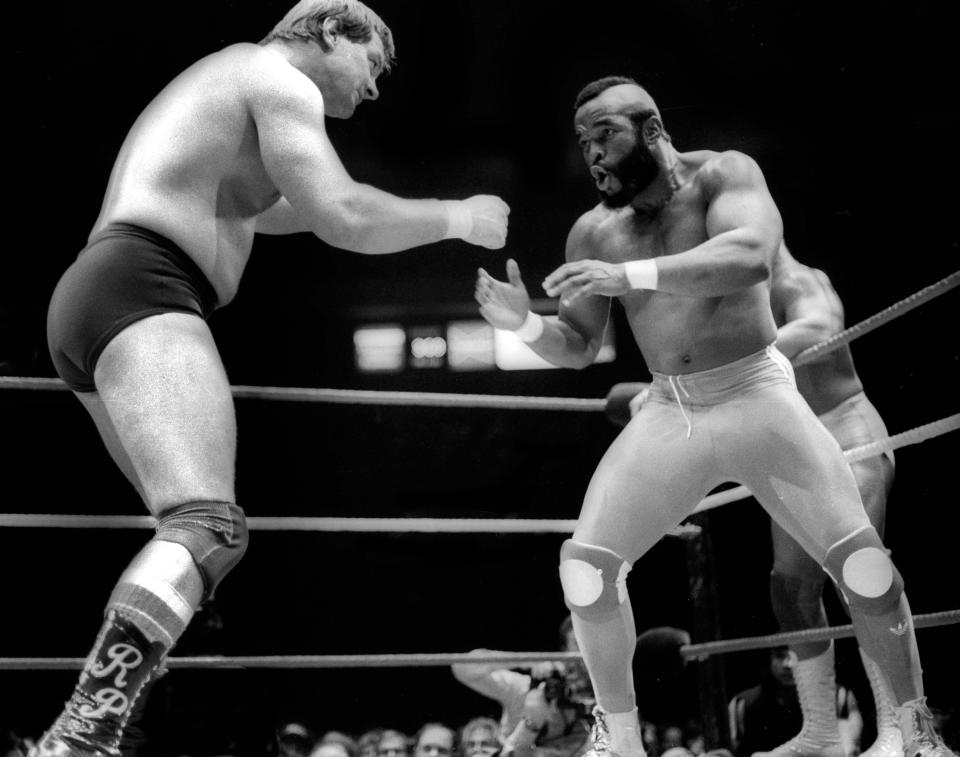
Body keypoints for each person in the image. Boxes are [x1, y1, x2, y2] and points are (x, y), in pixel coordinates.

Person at [36, 0, 509, 753]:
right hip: (145, 287)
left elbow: (290, 208)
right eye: (373, 63)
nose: (377, 88)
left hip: (103, 295)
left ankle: (111, 725)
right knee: (205, 524)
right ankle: (81, 734)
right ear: (327, 31)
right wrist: (459, 215)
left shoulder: (228, 92)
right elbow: (344, 212)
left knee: (202, 544)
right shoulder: (274, 78)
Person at [473, 76, 952, 757]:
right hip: (674, 408)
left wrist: (630, 278)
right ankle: (620, 739)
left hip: (758, 393)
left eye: (604, 133)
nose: (593, 155)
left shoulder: (725, 175)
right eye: (582, 143)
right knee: (585, 568)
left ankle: (916, 733)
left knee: (866, 570)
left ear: (653, 129)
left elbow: (748, 256)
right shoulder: (594, 231)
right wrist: (523, 324)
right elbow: (577, 344)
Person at [606, 244, 903, 757]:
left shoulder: (796, 279)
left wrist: (730, 365)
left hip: (846, 432)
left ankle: (898, 728)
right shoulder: (720, 300)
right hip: (796, 450)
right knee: (789, 591)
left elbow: (816, 329)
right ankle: (823, 734)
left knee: (862, 577)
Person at [728, 647, 862, 757]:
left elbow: (850, 750)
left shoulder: (838, 696)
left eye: (796, 655)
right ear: (769, 657)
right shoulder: (743, 703)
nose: (788, 664)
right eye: (780, 656)